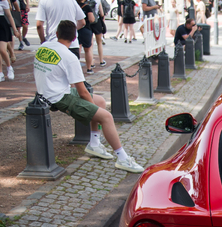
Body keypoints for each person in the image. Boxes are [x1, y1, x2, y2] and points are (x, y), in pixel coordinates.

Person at [34, 21, 144, 173]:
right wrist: (93, 111)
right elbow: (82, 92)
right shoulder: (69, 57)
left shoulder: (44, 46)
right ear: (74, 39)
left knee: (100, 101)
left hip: (45, 92)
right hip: (57, 98)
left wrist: (92, 106)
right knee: (106, 117)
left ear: (57, 34)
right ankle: (123, 158)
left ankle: (94, 143)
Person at [0, 0, 20, 81]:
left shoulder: (3, 2)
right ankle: (0, 73)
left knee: (2, 50)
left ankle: (9, 67)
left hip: (1, 26)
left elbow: (9, 16)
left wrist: (15, 30)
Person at [76, 0, 95, 74]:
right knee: (87, 50)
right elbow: (91, 19)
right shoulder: (87, 7)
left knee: (77, 49)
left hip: (75, 29)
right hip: (85, 29)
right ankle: (89, 68)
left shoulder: (74, 6)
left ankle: (77, 68)